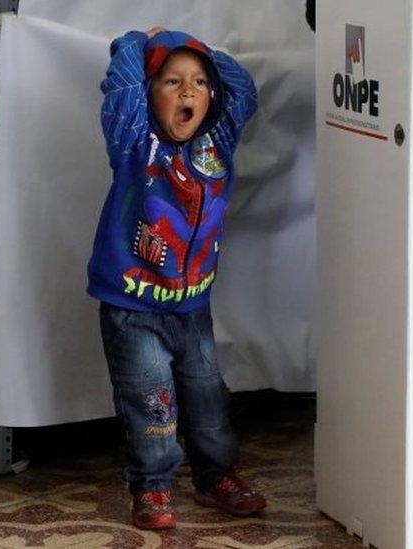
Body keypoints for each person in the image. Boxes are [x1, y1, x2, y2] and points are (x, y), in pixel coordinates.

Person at [86, 25, 264, 530]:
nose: (188, 91)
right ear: (149, 93)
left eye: (199, 82)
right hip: (133, 308)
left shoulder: (218, 141)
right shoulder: (133, 141)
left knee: (209, 400)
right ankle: (154, 487)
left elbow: (242, 87)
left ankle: (216, 476)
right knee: (152, 403)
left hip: (192, 307)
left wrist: (193, 45)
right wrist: (137, 42)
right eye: (171, 82)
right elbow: (121, 86)